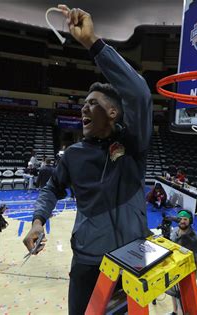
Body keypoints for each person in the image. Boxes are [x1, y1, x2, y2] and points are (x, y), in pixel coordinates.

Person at [23, 5, 153, 314]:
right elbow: (52, 188)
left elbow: (139, 95)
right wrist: (38, 221)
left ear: (112, 113)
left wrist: (93, 43)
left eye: (92, 104)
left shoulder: (133, 143)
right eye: (83, 104)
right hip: (87, 259)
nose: (83, 109)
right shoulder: (73, 155)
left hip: (132, 256)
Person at [167, 210, 197, 315]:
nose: (182, 221)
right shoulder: (174, 231)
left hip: (186, 274)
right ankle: (174, 312)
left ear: (190, 221)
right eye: (180, 218)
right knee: (174, 294)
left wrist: (192, 281)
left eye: (185, 219)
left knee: (183, 301)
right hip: (174, 270)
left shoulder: (195, 240)